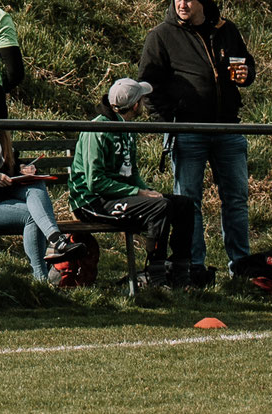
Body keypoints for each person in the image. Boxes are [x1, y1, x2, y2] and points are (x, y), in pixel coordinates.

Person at [137, 0, 256, 276]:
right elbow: (147, 86)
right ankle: (193, 267)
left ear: (202, 0)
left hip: (228, 128)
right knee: (189, 202)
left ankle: (241, 267)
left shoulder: (226, 29)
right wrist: (169, 120)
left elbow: (245, 64)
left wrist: (247, 74)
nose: (182, 4)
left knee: (236, 199)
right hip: (187, 131)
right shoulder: (161, 36)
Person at [69, 77, 200, 287]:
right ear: (136, 105)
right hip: (92, 202)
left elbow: (132, 172)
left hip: (119, 195)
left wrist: (145, 190)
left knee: (183, 205)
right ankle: (156, 278)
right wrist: (138, 193)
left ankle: (180, 272)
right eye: (142, 98)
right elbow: (95, 183)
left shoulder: (127, 127)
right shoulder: (97, 131)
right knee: (160, 207)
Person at [0, 125, 62, 283]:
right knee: (31, 216)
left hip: (7, 196)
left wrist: (23, 167)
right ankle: (41, 278)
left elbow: (12, 166)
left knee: (37, 185)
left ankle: (54, 236)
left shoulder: (2, 141)